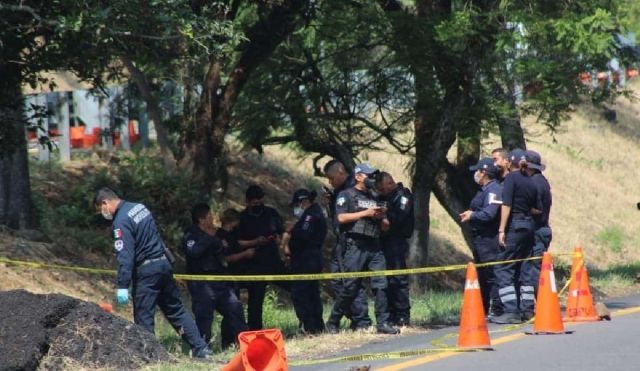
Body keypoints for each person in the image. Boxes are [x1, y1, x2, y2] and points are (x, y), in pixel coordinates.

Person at [93, 187, 211, 359]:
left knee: (143, 317)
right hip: (163, 264)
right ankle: (201, 349)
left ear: (105, 202)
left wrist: (123, 285)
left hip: (146, 271)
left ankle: (149, 357)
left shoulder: (120, 221)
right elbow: (155, 235)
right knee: (176, 310)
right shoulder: (139, 208)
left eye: (101, 210)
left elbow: (125, 256)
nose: (104, 214)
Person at [326, 163, 400, 335]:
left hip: (374, 246)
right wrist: (365, 213)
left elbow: (386, 227)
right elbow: (341, 217)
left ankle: (383, 322)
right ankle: (332, 322)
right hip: (355, 245)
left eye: (374, 176)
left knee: (381, 284)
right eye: (369, 175)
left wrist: (381, 217)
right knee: (350, 287)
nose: (372, 179)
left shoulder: (375, 197)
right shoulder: (346, 195)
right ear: (358, 176)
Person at [181, 204, 249, 348]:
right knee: (204, 318)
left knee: (235, 309)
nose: (213, 219)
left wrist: (219, 243)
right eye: (210, 216)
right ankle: (203, 349)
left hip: (220, 281)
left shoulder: (214, 234)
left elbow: (222, 252)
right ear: (201, 219)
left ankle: (246, 346)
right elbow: (193, 251)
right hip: (202, 283)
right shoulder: (191, 235)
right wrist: (209, 239)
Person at [493, 149, 542, 324]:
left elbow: (506, 205)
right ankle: (527, 310)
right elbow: (538, 209)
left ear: (509, 163)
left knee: (503, 267)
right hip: (529, 226)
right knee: (525, 267)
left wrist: (501, 230)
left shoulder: (511, 179)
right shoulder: (531, 181)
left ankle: (510, 311)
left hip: (515, 225)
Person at [323, 160, 372, 330]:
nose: (330, 181)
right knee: (337, 282)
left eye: (332, 178)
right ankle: (353, 317)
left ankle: (361, 321)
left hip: (354, 241)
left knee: (352, 282)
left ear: (341, 173)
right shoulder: (339, 191)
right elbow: (336, 216)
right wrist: (330, 202)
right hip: (341, 240)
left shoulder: (354, 189)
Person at [236, 185, 290, 331]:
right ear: (247, 202)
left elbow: (284, 232)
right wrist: (254, 242)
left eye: (261, 202)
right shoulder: (242, 218)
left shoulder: (271, 213)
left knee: (296, 287)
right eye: (255, 203)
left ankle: (309, 323)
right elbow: (236, 242)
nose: (258, 205)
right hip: (254, 265)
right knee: (255, 302)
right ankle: (255, 333)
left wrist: (286, 251)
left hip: (273, 261)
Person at [459, 158, 503, 321]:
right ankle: (483, 308)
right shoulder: (483, 189)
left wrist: (473, 215)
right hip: (480, 239)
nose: (475, 174)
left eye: (477, 171)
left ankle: (497, 308)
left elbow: (489, 214)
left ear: (483, 173)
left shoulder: (493, 190)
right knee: (483, 275)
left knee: (492, 275)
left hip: (489, 239)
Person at [282, 189, 327, 335]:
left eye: (297, 204)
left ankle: (309, 327)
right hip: (310, 258)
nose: (296, 208)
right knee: (312, 293)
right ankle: (316, 326)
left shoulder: (310, 216)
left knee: (301, 293)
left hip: (306, 259)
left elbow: (304, 235)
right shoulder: (314, 213)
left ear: (304, 202)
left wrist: (291, 231)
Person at [375, 172, 414, 327]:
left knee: (398, 279)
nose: (380, 192)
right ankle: (390, 313)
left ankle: (403, 314)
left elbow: (401, 217)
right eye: (379, 190)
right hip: (383, 241)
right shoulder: (383, 198)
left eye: (382, 189)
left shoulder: (403, 196)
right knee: (386, 280)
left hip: (397, 241)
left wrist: (385, 213)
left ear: (390, 183)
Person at [216, 208, 257, 348]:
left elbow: (237, 245)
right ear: (232, 221)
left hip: (234, 278)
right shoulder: (221, 237)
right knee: (232, 310)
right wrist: (245, 255)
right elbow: (227, 258)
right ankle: (228, 342)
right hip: (227, 278)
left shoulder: (231, 235)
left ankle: (234, 340)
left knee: (234, 310)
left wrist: (254, 242)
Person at [522, 150, 553, 297]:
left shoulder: (535, 183)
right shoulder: (541, 180)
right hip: (541, 229)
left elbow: (538, 209)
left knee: (533, 268)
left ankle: (540, 303)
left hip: (537, 231)